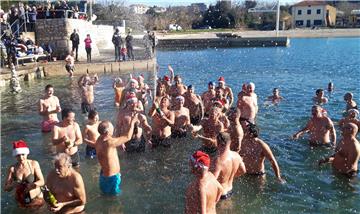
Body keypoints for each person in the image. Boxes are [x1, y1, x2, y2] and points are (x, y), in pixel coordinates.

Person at [95, 120, 136, 195]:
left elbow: (110, 140)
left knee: (105, 196)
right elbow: (128, 136)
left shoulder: (99, 140)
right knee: (115, 200)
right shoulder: (110, 142)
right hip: (112, 178)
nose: (113, 128)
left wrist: (119, 142)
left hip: (103, 176)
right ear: (107, 132)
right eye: (112, 127)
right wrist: (133, 122)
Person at [4, 140, 45, 208]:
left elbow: (42, 181)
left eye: (23, 154)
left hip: (36, 199)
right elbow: (6, 188)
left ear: (27, 153)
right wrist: (12, 185)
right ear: (15, 156)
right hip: (20, 200)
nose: (21, 157)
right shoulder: (12, 169)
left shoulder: (33, 164)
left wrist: (33, 185)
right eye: (18, 155)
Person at [212, 132, 246, 200]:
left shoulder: (218, 160)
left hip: (220, 194)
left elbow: (212, 181)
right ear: (230, 142)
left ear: (219, 144)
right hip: (230, 191)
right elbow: (243, 171)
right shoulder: (236, 155)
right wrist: (231, 177)